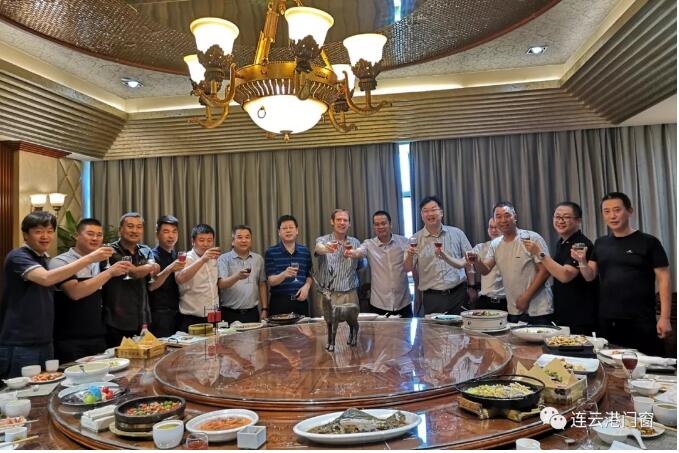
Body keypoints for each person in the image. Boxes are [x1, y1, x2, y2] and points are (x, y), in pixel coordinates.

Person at [0, 212, 113, 378]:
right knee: (20, 390)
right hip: (20, 342)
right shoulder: (18, 256)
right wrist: (91, 259)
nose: (45, 236)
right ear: (25, 235)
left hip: (46, 340)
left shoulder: (44, 260)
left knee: (45, 387)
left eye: (49, 231)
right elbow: (46, 279)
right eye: (38, 231)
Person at [573, 192, 671, 355]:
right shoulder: (600, 243)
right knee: (611, 364)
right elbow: (589, 276)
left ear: (629, 211)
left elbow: (664, 279)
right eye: (607, 211)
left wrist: (665, 317)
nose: (612, 216)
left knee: (647, 364)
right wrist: (581, 261)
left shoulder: (649, 242)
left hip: (641, 319)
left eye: (617, 210)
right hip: (608, 319)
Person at [49, 218, 132, 362]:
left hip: (98, 336)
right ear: (76, 236)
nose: (95, 238)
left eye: (99, 235)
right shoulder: (61, 261)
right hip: (70, 339)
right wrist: (109, 273)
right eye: (90, 234)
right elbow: (75, 293)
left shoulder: (98, 262)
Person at [470, 202, 553, 323]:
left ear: (515, 217)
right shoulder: (495, 244)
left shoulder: (531, 237)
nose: (503, 220)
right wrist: (476, 260)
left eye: (507, 215)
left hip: (539, 308)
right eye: (498, 216)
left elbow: (545, 271)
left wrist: (526, 297)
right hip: (514, 308)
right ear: (494, 220)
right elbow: (485, 269)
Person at [524, 202, 598, 334]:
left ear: (578, 220)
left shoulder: (580, 243)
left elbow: (565, 276)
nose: (560, 221)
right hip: (564, 311)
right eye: (557, 217)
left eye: (566, 217)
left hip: (579, 315)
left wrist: (540, 253)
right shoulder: (562, 242)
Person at [403, 196, 473, 315]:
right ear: (422, 215)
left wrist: (472, 286)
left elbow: (470, 260)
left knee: (460, 327)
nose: (430, 213)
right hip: (432, 297)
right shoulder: (415, 239)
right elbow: (407, 268)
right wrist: (409, 256)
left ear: (441, 213)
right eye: (425, 211)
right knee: (434, 328)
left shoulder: (457, 233)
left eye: (434, 209)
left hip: (459, 294)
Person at [102, 212, 160, 347]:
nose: (135, 230)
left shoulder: (145, 250)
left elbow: (153, 280)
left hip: (143, 319)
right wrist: (151, 266)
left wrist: (164, 269)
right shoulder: (110, 251)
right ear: (120, 229)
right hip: (117, 321)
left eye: (139, 227)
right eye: (130, 226)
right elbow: (133, 272)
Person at [349, 210, 412, 317]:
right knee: (380, 329)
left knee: (407, 329)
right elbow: (359, 252)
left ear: (390, 224)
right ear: (374, 227)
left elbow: (409, 267)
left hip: (403, 302)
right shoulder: (369, 244)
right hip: (379, 304)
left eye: (383, 223)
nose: (380, 227)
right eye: (377, 224)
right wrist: (351, 252)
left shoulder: (404, 242)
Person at [314, 209, 362, 314]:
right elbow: (318, 248)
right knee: (327, 324)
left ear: (349, 224)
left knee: (352, 324)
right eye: (338, 220)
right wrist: (326, 249)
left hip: (350, 295)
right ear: (332, 221)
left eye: (345, 220)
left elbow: (362, 264)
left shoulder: (355, 242)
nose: (342, 223)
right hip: (328, 296)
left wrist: (355, 255)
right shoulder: (323, 240)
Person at [218, 225, 268, 323]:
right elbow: (221, 284)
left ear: (251, 241)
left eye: (247, 237)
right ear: (233, 241)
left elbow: (262, 284)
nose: (244, 240)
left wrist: (264, 309)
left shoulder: (258, 259)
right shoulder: (223, 259)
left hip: (252, 312)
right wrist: (237, 276)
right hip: (229, 313)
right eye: (240, 237)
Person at [175, 224, 221, 332]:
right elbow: (180, 279)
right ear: (193, 241)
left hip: (213, 316)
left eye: (209, 240)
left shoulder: (215, 259)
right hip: (191, 318)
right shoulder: (185, 258)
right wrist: (202, 260)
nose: (206, 244)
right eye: (201, 240)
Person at [264, 215, 313, 316]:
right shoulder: (271, 252)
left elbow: (309, 275)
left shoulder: (305, 251)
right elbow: (271, 281)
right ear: (279, 232)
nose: (288, 230)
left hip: (301, 301)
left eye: (291, 227)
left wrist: (307, 287)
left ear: (297, 231)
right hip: (279, 302)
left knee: (303, 326)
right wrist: (284, 274)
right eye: (284, 228)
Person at [148, 215, 186, 338]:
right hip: (159, 315)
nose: (171, 236)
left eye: (174, 232)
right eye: (166, 231)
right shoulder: (151, 256)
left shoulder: (177, 255)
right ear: (157, 234)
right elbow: (151, 286)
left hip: (179, 313)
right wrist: (169, 269)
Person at [472, 218, 507, 311]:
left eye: (497, 227)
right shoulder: (481, 247)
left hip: (506, 301)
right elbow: (461, 263)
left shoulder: (511, 247)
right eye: (491, 227)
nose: (494, 230)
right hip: (485, 300)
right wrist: (443, 254)